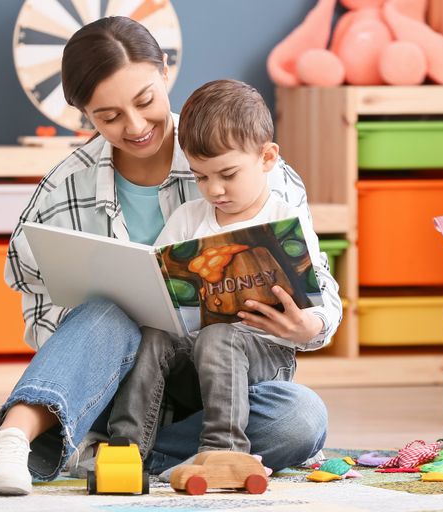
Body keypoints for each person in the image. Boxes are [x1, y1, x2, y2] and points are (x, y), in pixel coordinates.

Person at [0, 16, 340, 496]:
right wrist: (108, 333)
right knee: (108, 312)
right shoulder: (67, 186)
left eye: (145, 100)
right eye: (108, 116)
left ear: (164, 70)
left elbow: (321, 293)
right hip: (115, 381)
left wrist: (307, 328)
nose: (136, 125)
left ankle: (109, 455)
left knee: (299, 417)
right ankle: (13, 439)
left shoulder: (250, 164)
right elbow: (39, 308)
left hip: (222, 393)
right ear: (84, 114)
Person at [105, 79, 341, 472]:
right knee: (154, 335)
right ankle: (125, 452)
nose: (214, 189)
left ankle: (224, 452)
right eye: (201, 177)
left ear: (267, 158)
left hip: (263, 362)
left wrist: (308, 325)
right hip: (192, 368)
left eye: (228, 174)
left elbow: (322, 294)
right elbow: (156, 286)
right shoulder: (187, 220)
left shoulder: (285, 221)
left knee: (228, 342)